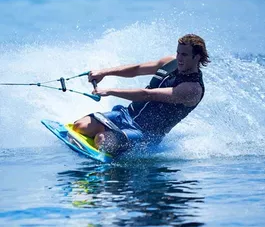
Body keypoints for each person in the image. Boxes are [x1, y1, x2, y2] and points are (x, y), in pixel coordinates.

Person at [73, 34, 210, 156]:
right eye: (178, 53)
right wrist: (104, 72)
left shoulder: (192, 89)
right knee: (80, 126)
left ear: (197, 57)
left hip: (144, 133)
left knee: (102, 140)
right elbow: (137, 69)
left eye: (184, 55)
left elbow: (148, 95)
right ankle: (108, 131)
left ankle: (111, 137)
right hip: (126, 114)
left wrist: (109, 91)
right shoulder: (170, 62)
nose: (179, 58)